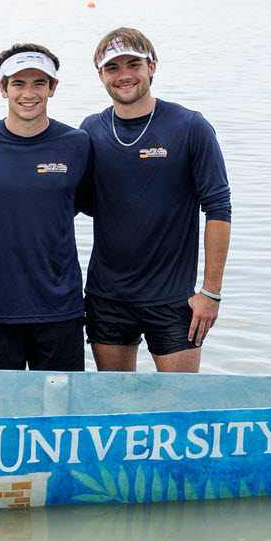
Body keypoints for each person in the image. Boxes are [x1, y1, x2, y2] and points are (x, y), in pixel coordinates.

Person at [78, 28, 231, 373]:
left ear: (152, 67)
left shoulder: (190, 126)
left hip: (174, 300)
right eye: (113, 68)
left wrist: (211, 292)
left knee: (180, 408)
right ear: (100, 75)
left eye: (134, 64)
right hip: (107, 298)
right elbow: (75, 201)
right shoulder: (91, 129)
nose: (125, 75)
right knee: (115, 408)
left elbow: (218, 207)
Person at [0, 44, 94, 370]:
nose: (28, 93)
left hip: (61, 308)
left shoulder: (77, 143)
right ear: (2, 88)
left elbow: (82, 204)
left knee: (61, 417)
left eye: (39, 83)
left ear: (53, 88)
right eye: (18, 83)